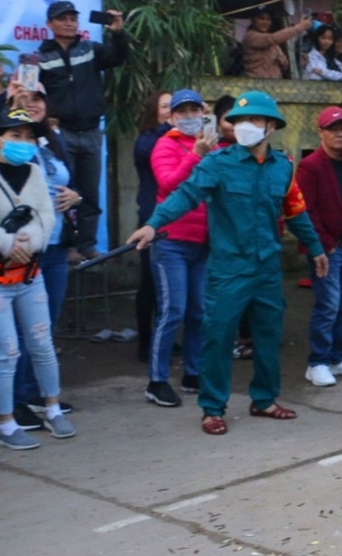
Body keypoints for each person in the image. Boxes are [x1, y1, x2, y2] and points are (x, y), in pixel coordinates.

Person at [128, 91, 328, 436]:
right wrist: (153, 223)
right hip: (227, 267)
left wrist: (315, 248)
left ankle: (264, 399)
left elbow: (295, 211)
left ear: (270, 126)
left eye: (253, 120)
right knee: (217, 337)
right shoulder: (217, 164)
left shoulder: (283, 167)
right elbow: (186, 195)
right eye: (239, 121)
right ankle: (212, 407)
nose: (245, 127)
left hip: (267, 268)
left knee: (268, 335)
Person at [0, 108, 70, 450]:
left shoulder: (36, 172)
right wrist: (6, 244)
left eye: (28, 137)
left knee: (42, 343)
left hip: (29, 274)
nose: (23, 142)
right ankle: (5, 424)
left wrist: (30, 244)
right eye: (15, 136)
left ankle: (52, 407)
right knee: (6, 352)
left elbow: (46, 216)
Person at [36, 0, 129, 259]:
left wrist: (118, 32)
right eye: (62, 18)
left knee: (89, 191)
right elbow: (34, 94)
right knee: (61, 191)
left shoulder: (90, 49)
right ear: (49, 24)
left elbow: (119, 57)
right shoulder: (40, 57)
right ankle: (64, 247)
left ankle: (86, 245)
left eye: (72, 18)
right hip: (58, 133)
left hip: (90, 131)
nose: (68, 22)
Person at [144, 89, 213, 407]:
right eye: (181, 112)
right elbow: (169, 185)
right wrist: (195, 154)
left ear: (203, 112)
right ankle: (156, 381)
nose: (188, 117)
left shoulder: (211, 143)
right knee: (173, 311)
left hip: (202, 243)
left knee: (199, 311)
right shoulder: (165, 144)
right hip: (171, 242)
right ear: (170, 117)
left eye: (194, 110)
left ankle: (192, 372)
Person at [295, 106, 342, 387]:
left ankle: (339, 357)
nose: (340, 134)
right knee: (328, 306)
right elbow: (307, 210)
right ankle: (317, 362)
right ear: (321, 132)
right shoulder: (310, 166)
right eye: (333, 129)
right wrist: (324, 245)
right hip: (329, 251)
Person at [133, 91, 172, 361]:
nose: (171, 111)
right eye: (166, 106)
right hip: (151, 217)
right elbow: (151, 152)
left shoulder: (184, 138)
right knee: (149, 281)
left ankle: (164, 337)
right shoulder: (146, 140)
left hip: (178, 217)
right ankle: (145, 342)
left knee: (169, 284)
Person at [242, 6, 312, 79]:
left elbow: (285, 63)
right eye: (261, 18)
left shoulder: (273, 44)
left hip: (274, 83)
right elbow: (273, 38)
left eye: (268, 19)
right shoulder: (251, 36)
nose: (265, 22)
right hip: (256, 81)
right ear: (253, 20)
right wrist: (299, 27)